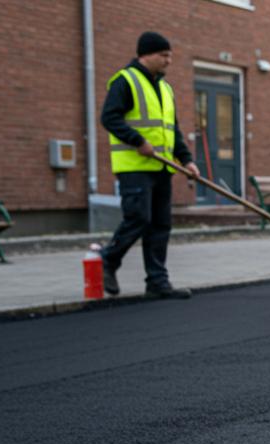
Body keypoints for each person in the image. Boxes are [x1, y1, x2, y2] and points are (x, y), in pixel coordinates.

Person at [98, 31, 198, 299]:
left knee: (160, 224)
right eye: (164, 55)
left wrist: (186, 160)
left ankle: (157, 282)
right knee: (139, 218)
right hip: (135, 166)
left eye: (170, 56)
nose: (169, 61)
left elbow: (172, 130)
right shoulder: (125, 81)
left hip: (162, 168)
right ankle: (108, 259)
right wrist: (137, 140)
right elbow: (109, 117)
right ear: (146, 54)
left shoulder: (165, 88)